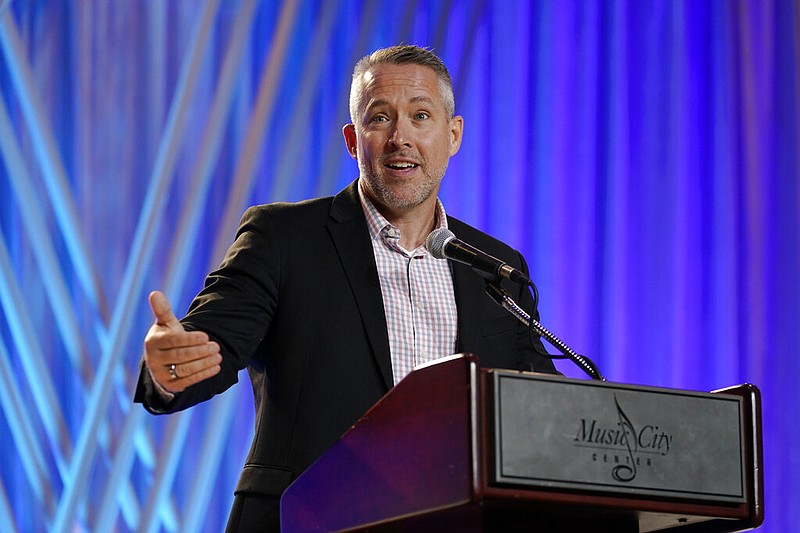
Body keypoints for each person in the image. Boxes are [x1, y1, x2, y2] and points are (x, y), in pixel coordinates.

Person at [134, 45, 557, 532]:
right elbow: (211, 344)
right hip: (309, 520)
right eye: (381, 118)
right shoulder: (283, 238)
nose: (402, 138)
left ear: (453, 134)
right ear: (354, 140)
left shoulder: (497, 267)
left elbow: (538, 403)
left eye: (421, 116)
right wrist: (172, 366)